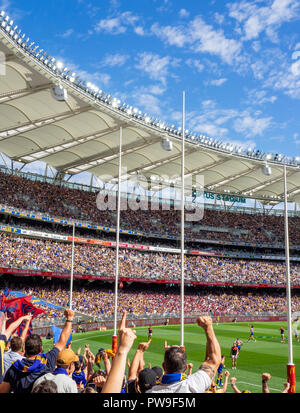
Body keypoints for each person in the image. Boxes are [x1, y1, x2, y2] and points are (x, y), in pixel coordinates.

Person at [0, 308, 75, 393]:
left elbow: (3, 390)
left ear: (24, 349)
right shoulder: (46, 361)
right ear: (41, 349)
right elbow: (62, 341)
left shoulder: (15, 368)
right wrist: (69, 319)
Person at [146, 316, 221, 393]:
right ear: (185, 368)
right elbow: (214, 360)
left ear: (163, 366)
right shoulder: (193, 384)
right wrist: (208, 327)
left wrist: (139, 351)